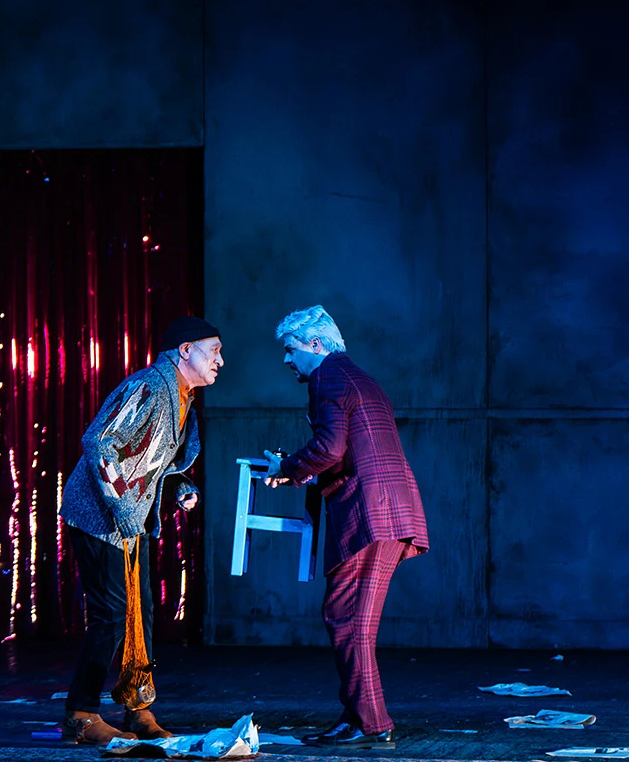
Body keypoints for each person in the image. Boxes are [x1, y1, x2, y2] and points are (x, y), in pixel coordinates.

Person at [262, 305, 428, 750]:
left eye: (291, 349)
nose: (286, 359)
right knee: (354, 620)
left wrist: (288, 468)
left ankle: (370, 722)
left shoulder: (327, 378)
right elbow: (349, 450)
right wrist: (300, 470)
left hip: (367, 515)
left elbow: (329, 447)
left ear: (315, 345)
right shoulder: (361, 378)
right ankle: (359, 716)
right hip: (391, 512)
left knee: (346, 617)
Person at [57, 316, 223, 744]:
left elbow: (151, 459)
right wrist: (122, 505)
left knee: (140, 614)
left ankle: (138, 707)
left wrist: (179, 486)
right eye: (214, 350)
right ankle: (80, 714)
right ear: (185, 350)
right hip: (99, 517)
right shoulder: (149, 387)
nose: (220, 361)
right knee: (112, 614)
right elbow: (99, 442)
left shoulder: (182, 396)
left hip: (131, 520)